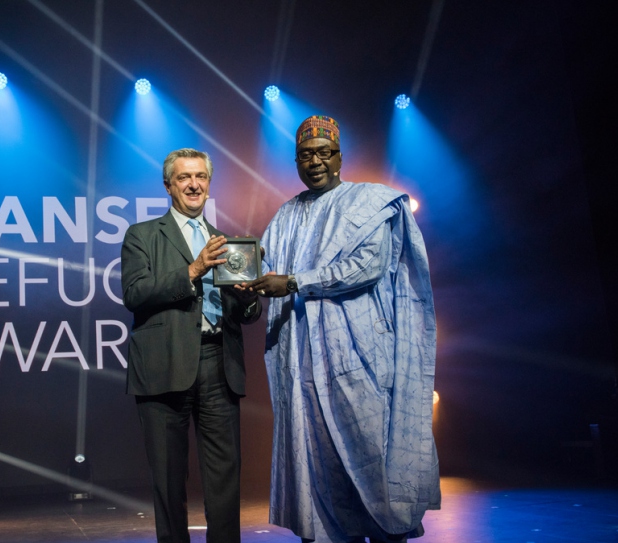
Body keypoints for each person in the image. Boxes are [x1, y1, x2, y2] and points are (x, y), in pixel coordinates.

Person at [242, 116, 440, 543]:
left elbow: (365, 267)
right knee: (318, 459)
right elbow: (265, 269)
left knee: (371, 453)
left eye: (323, 153)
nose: (314, 162)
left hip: (359, 355)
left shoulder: (369, 202)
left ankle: (388, 534)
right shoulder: (287, 215)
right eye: (305, 155)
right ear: (296, 161)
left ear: (339, 157)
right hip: (303, 361)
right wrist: (245, 279)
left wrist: (294, 282)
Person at [121, 148, 261, 543]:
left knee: (224, 478)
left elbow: (246, 314)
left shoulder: (226, 242)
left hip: (219, 363)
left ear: (209, 184)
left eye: (200, 177)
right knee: (168, 480)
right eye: (184, 178)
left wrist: (250, 296)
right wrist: (194, 269)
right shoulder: (143, 235)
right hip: (164, 366)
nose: (194, 184)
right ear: (169, 186)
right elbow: (134, 293)